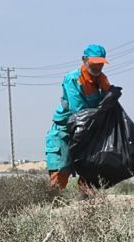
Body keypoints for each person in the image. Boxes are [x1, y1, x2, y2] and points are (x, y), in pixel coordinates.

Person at [46, 44, 111, 191]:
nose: (98, 67)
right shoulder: (73, 79)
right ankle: (52, 206)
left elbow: (107, 104)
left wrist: (110, 93)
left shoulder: (102, 80)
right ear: (84, 60)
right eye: (94, 63)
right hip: (65, 131)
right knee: (60, 172)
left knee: (91, 172)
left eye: (101, 64)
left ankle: (85, 207)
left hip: (88, 131)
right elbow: (78, 111)